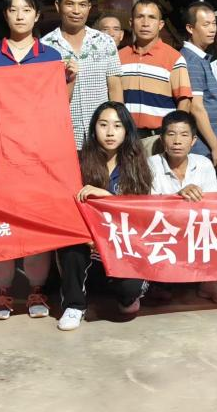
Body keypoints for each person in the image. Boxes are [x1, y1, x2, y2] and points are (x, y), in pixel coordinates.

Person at [0, 0, 71, 320]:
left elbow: (59, 108)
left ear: (37, 15)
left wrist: (69, 81)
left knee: (35, 227)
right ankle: (2, 292)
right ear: (5, 15)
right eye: (13, 10)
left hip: (37, 157)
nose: (20, 16)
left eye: (27, 10)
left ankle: (36, 290)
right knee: (0, 227)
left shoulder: (50, 57)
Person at [58, 102, 152, 331]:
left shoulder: (138, 166)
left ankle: (126, 296)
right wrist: (90, 238)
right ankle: (74, 306)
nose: (110, 132)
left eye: (117, 126)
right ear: (93, 128)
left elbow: (138, 216)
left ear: (127, 131)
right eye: (103, 125)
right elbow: (67, 208)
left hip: (122, 243)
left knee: (128, 297)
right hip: (87, 241)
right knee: (70, 247)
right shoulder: (78, 162)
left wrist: (107, 197)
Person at [148, 110, 217, 305]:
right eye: (171, 134)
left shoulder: (203, 164)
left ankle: (211, 283)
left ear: (193, 140)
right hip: (164, 227)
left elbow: (213, 206)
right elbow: (148, 208)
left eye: (184, 135)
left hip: (196, 226)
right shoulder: (150, 165)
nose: (177, 141)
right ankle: (158, 283)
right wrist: (178, 197)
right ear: (162, 139)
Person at [41, 0, 124, 149]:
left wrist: (118, 126)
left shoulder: (105, 42)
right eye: (70, 4)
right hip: (63, 138)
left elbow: (115, 88)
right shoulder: (45, 47)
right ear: (58, 6)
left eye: (82, 5)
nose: (76, 11)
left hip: (101, 138)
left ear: (89, 8)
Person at [118, 0, 192, 148]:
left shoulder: (174, 58)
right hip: (125, 139)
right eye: (140, 17)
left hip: (158, 140)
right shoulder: (119, 57)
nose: (145, 23)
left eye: (152, 17)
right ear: (131, 23)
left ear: (160, 24)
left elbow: (185, 101)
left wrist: (173, 135)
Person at [178, 2, 217, 189]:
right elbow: (196, 107)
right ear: (190, 28)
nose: (212, 29)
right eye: (206, 24)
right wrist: (216, 148)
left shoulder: (201, 58)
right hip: (204, 152)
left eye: (214, 23)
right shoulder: (191, 60)